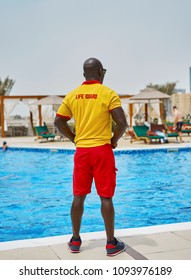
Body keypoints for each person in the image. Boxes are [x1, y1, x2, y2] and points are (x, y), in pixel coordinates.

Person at [54, 57, 127, 256]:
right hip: (102, 151)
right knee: (106, 197)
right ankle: (111, 244)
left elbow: (59, 121)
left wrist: (74, 138)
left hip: (82, 152)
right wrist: (113, 141)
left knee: (79, 196)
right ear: (101, 72)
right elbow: (122, 123)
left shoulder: (73, 95)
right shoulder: (108, 93)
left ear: (84, 74)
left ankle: (75, 241)